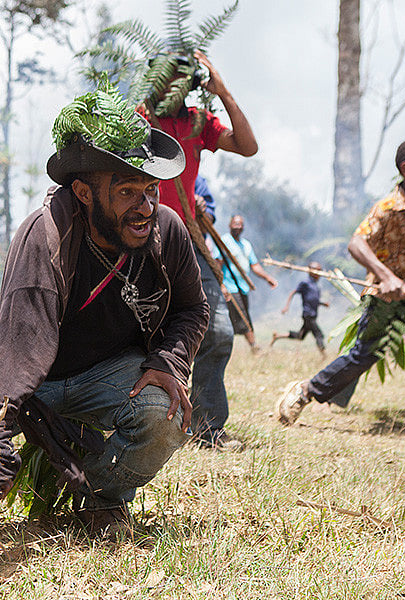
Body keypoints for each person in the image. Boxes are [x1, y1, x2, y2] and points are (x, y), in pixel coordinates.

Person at [0, 86, 208, 537]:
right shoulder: (45, 235)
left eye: (150, 190)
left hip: (105, 374)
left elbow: (192, 309)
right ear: (84, 193)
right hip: (19, 373)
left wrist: (168, 362)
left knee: (164, 414)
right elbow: (18, 349)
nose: (144, 207)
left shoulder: (167, 232)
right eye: (127, 191)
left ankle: (100, 500)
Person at [276, 139, 405, 434]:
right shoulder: (387, 209)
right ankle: (304, 391)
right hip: (387, 295)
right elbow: (357, 243)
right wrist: (385, 275)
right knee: (364, 355)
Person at [139, 51, 259, 450]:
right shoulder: (137, 119)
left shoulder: (196, 123)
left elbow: (247, 146)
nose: (175, 86)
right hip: (138, 236)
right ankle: (137, 419)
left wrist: (221, 89)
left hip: (188, 238)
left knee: (219, 331)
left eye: (184, 78)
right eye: (167, 77)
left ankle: (207, 428)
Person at [216, 214, 279, 351]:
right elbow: (217, 264)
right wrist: (221, 285)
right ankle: (254, 347)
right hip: (230, 287)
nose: (237, 227)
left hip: (243, 287)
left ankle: (227, 347)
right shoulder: (224, 241)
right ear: (230, 225)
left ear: (243, 227)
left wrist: (268, 278)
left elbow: (254, 265)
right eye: (235, 224)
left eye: (240, 224)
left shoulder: (246, 245)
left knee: (238, 317)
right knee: (242, 317)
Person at [272, 261, 329, 354]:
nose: (320, 273)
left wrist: (323, 304)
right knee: (319, 335)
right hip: (308, 315)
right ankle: (324, 355)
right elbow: (293, 293)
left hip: (313, 315)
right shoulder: (305, 283)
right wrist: (287, 306)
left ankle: (278, 336)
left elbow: (314, 300)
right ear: (312, 272)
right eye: (318, 271)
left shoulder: (316, 286)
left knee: (300, 336)